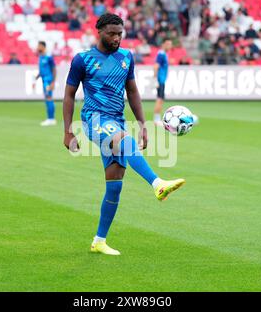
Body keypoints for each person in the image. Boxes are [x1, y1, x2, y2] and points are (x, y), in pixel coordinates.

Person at [62, 14, 185, 256]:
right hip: (94, 119)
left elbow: (132, 91)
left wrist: (142, 124)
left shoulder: (126, 58)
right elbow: (69, 95)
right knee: (121, 140)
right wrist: (67, 131)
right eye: (111, 33)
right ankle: (157, 184)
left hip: (116, 120)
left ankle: (99, 240)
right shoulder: (82, 60)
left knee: (115, 184)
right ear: (99, 31)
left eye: (120, 33)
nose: (117, 38)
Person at [33, 41, 57, 126]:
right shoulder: (40, 57)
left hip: (48, 80)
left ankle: (51, 119)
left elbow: (54, 69)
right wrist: (36, 78)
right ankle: (50, 118)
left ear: (43, 47)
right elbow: (41, 70)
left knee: (49, 97)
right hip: (44, 80)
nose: (37, 47)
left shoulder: (49, 57)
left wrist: (53, 82)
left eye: (39, 46)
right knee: (47, 98)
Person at [153, 39, 172, 126]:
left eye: (171, 44)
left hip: (162, 80)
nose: (170, 46)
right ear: (163, 44)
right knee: (159, 99)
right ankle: (156, 119)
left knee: (161, 99)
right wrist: (155, 79)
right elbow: (156, 66)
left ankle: (157, 118)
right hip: (160, 80)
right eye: (168, 44)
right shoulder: (161, 54)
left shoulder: (164, 54)